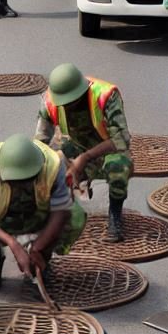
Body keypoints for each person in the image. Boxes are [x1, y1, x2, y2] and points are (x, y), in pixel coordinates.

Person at [0, 135, 87, 291]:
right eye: (15, 182)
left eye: (27, 180)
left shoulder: (53, 165)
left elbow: (61, 211)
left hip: (37, 216)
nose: (22, 186)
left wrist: (38, 248)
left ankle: (43, 260)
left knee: (76, 216)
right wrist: (12, 242)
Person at [35, 63, 131, 242]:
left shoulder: (106, 95)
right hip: (73, 146)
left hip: (105, 149)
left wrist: (85, 159)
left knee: (119, 167)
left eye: (71, 101)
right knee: (45, 167)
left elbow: (121, 139)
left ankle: (115, 215)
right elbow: (40, 143)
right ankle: (58, 213)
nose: (68, 106)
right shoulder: (49, 101)